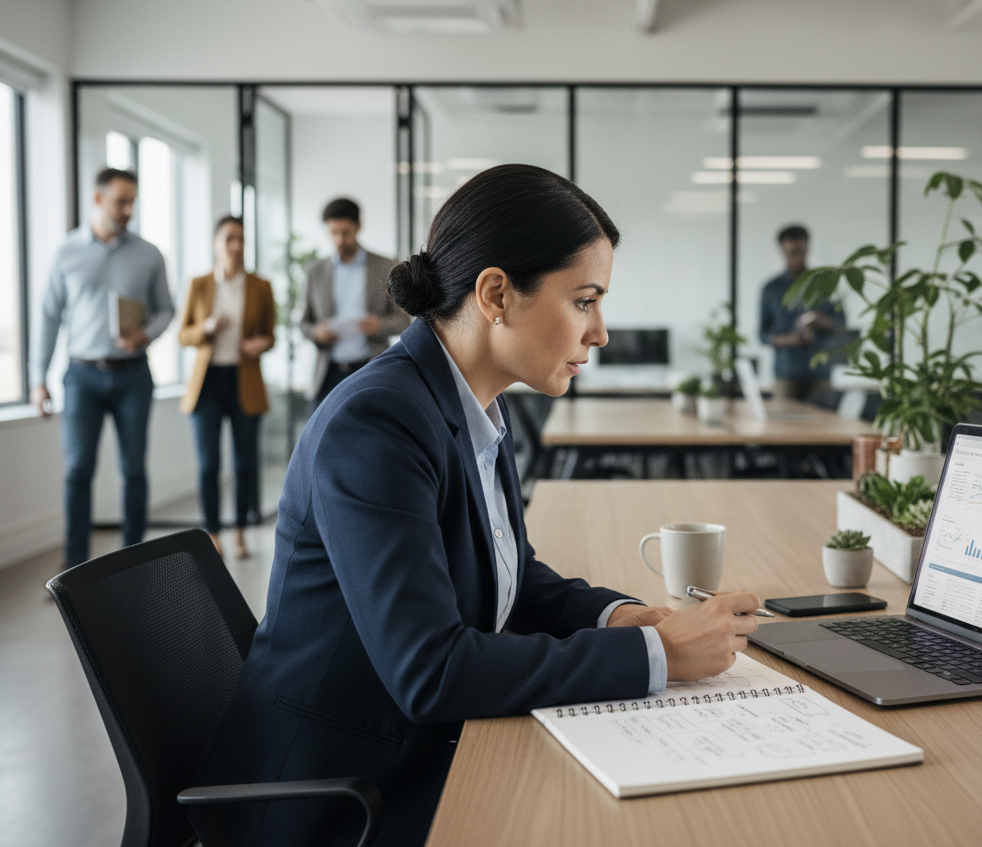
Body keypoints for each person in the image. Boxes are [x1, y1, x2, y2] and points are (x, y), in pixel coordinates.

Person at [191, 165, 760, 847]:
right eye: (584, 300)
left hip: (413, 749)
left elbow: (507, 574)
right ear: (496, 294)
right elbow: (432, 672)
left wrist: (625, 617)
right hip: (338, 792)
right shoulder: (375, 424)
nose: (601, 332)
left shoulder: (473, 403)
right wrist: (655, 654)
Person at [30, 168, 175, 568]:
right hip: (81, 377)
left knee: (133, 470)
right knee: (78, 470)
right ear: (98, 199)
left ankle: (134, 565)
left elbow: (167, 310)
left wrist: (145, 334)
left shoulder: (149, 253)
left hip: (133, 374)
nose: (128, 209)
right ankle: (73, 568)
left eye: (133, 202)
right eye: (121, 201)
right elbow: (47, 316)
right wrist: (37, 379)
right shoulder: (66, 251)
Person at [178, 216, 276, 559]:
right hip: (207, 385)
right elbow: (183, 334)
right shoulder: (200, 284)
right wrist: (206, 326)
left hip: (243, 380)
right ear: (216, 244)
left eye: (241, 240)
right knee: (208, 465)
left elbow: (271, 334)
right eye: (229, 239)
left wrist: (260, 344)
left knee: (244, 463)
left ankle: (240, 531)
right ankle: (213, 533)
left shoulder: (261, 286)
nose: (236, 246)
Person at [300, 197, 411, 408]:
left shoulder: (386, 266)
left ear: (358, 227)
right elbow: (303, 323)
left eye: (345, 232)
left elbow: (403, 321)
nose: (339, 240)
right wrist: (316, 332)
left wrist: (379, 326)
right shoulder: (315, 272)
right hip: (328, 374)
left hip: (370, 369)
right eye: (333, 233)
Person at [758, 224, 844, 402]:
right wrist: (790, 340)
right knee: (783, 425)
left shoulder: (825, 285)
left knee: (825, 424)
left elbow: (842, 325)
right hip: (786, 373)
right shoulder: (771, 289)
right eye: (791, 253)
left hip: (821, 372)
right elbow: (762, 335)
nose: (797, 258)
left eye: (801, 251)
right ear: (782, 251)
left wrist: (821, 322)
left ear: (807, 249)